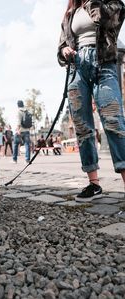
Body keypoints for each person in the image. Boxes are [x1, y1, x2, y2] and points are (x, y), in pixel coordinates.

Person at [57, 0, 125, 201]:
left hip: (104, 64)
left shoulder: (110, 3)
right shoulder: (70, 13)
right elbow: (61, 46)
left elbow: (108, 20)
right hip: (77, 69)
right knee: (82, 127)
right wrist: (64, 51)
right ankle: (93, 184)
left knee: (114, 122)